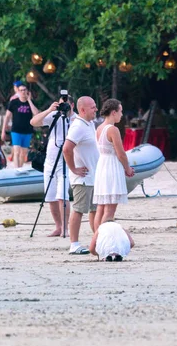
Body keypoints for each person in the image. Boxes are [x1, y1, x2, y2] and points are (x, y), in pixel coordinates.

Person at [30, 95, 77, 237]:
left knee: (62, 195)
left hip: (65, 161)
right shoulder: (55, 116)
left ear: (72, 105)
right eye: (61, 105)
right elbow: (34, 122)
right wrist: (50, 109)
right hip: (50, 160)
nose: (64, 108)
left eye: (66, 105)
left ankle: (66, 229)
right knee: (50, 196)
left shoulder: (76, 120)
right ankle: (58, 226)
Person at [63, 96, 100, 255]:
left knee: (94, 209)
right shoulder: (78, 126)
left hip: (93, 175)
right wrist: (73, 168)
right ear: (83, 110)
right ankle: (74, 244)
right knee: (78, 209)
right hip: (82, 178)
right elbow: (66, 148)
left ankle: (97, 240)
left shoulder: (90, 123)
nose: (96, 109)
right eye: (93, 107)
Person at [93, 99, 135, 229]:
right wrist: (127, 168)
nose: (121, 114)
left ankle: (97, 238)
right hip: (111, 166)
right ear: (113, 112)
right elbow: (120, 153)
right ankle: (102, 239)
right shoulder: (113, 129)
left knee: (100, 208)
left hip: (102, 166)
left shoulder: (99, 128)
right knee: (109, 210)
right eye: (120, 111)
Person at [1, 85, 39, 167]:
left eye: (24, 90)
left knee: (23, 153)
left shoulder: (30, 103)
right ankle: (16, 170)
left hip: (27, 130)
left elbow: (36, 114)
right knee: (17, 151)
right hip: (16, 130)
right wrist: (3, 131)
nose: (23, 92)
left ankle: (20, 168)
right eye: (21, 90)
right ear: (18, 92)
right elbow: (7, 116)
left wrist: (29, 100)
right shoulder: (14, 102)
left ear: (27, 91)